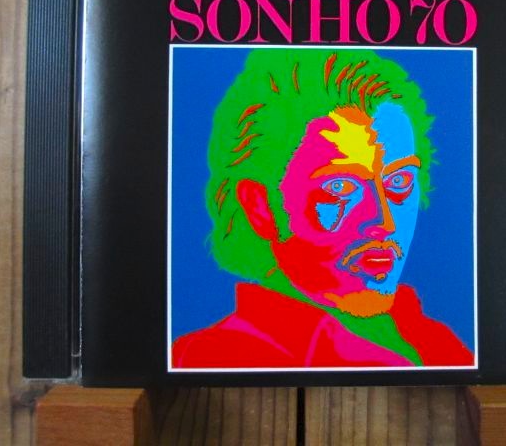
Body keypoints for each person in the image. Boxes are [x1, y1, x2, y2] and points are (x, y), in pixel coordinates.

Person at [172, 49, 473, 368]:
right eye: (340, 187)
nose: (383, 221)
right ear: (261, 207)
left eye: (398, 181)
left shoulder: (436, 341)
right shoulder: (214, 355)